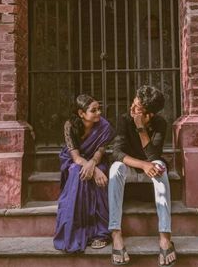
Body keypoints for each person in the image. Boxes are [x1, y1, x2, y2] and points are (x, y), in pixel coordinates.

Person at [108, 85, 177, 266]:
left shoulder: (160, 123)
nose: (131, 108)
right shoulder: (124, 119)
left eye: (137, 107)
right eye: (133, 102)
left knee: (160, 166)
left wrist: (141, 129)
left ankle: (164, 237)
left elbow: (154, 157)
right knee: (115, 168)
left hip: (151, 171)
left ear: (149, 114)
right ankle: (116, 234)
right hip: (130, 169)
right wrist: (142, 165)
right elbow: (116, 153)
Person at [53, 94, 115, 253]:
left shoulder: (104, 126)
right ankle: (75, 228)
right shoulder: (70, 125)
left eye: (99, 109)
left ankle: (99, 232)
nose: (99, 113)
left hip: (96, 159)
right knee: (76, 172)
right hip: (76, 159)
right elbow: (75, 157)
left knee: (102, 175)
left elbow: (100, 152)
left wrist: (93, 166)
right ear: (81, 113)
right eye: (93, 110)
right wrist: (91, 170)